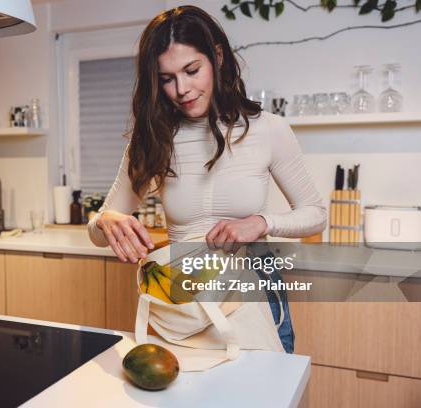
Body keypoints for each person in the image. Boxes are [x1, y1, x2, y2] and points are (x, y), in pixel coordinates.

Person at [87, 5, 327, 353]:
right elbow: (97, 233)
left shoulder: (267, 129)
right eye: (167, 78)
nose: (181, 89)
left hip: (251, 292)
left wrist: (262, 223)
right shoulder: (152, 139)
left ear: (217, 57)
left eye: (192, 70)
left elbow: (315, 214)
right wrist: (105, 220)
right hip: (180, 300)